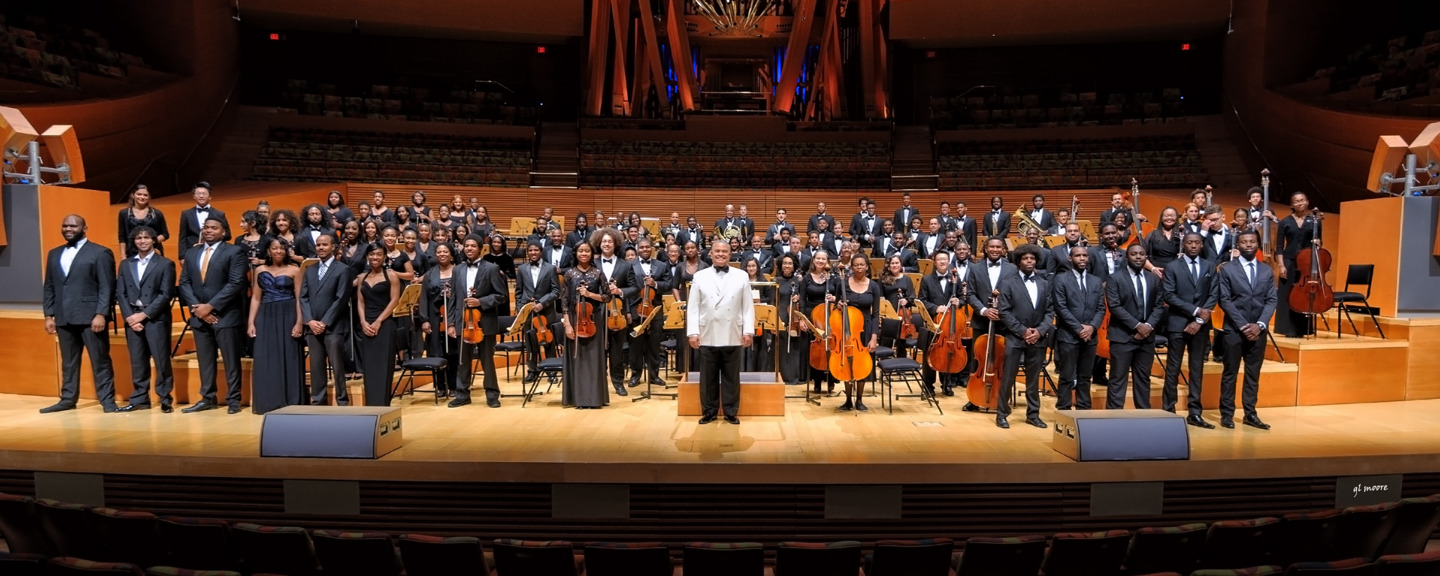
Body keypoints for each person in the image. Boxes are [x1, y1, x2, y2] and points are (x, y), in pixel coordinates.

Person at [41, 214, 119, 414]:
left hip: (91, 317)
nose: (68, 229)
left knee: (100, 360)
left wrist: (101, 313)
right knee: (68, 362)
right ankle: (68, 399)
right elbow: (49, 286)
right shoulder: (54, 253)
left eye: (73, 226)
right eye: (65, 225)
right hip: (64, 317)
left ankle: (108, 401)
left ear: (85, 228)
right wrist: (49, 315)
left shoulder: (100, 252)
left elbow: (106, 287)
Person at [179, 217, 249, 414]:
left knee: (231, 360)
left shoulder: (234, 252)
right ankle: (208, 397)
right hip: (199, 316)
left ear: (224, 232)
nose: (208, 231)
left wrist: (210, 306)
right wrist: (198, 308)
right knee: (205, 359)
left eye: (213, 228)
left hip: (225, 315)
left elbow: (235, 284)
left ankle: (234, 399)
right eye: (206, 227)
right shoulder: (192, 252)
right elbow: (184, 282)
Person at [687, 240, 755, 425]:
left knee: (731, 376)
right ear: (711, 253)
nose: (721, 254)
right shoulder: (699, 276)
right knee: (707, 376)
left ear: (730, 253)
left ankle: (731, 411)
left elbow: (748, 307)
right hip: (707, 332)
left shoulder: (741, 276)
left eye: (724, 251)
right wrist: (693, 332)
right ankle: (709, 411)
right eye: (717, 251)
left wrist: (748, 330)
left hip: (733, 331)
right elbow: (693, 308)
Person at [1217, 230, 1277, 430]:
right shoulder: (1227, 269)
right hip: (1234, 330)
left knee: (1253, 374)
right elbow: (1225, 300)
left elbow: (1271, 300)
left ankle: (1250, 413)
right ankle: (1227, 414)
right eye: (1244, 242)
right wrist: (1243, 325)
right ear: (1238, 245)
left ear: (1257, 244)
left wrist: (1260, 325)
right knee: (1230, 373)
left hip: (1258, 330)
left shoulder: (1266, 270)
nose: (1249, 244)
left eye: (1252, 241)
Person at [1162, 232, 1219, 428]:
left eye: (1197, 242)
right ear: (1183, 244)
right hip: (1178, 323)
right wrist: (1195, 311)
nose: (1193, 245)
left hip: (1200, 327)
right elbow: (1168, 294)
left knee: (1197, 369)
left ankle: (1195, 412)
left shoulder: (1210, 266)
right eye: (1189, 242)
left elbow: (1213, 294)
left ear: (1202, 244)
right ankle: (1169, 409)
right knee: (1173, 368)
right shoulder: (1172, 266)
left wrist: (1200, 320)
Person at [116, 226, 176, 412]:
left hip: (155, 317)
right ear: (134, 241)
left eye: (146, 238)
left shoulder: (165, 264)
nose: (142, 241)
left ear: (153, 240)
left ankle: (165, 398)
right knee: (137, 360)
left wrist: (143, 315)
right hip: (132, 317)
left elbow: (166, 294)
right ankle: (140, 398)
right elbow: (121, 293)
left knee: (161, 359)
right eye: (139, 238)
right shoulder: (126, 264)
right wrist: (130, 318)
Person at [995, 243, 1053, 429]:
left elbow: (1050, 311)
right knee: (1008, 377)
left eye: (1032, 259)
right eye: (1025, 259)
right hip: (1015, 337)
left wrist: (1039, 331)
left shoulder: (1044, 283)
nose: (1029, 261)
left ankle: (1033, 414)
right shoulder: (1008, 283)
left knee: (1033, 380)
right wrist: (1023, 331)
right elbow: (1004, 312)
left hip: (1038, 338)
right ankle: (1002, 414)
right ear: (1019, 261)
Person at [448, 235, 509, 408]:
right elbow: (453, 298)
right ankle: (462, 394)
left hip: (485, 322)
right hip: (463, 322)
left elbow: (502, 296)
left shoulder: (491, 268)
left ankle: (492, 394)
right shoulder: (457, 270)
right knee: (463, 360)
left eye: (473, 246)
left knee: (487, 360)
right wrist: (451, 323)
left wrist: (480, 301)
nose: (469, 249)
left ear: (480, 248)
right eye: (466, 246)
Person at [247, 238, 304, 414]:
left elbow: (299, 299)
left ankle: (290, 400)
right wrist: (251, 322)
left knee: (289, 356)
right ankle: (268, 401)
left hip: (288, 314)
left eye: (281, 248)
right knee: (266, 357)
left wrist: (299, 322)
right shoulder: (260, 270)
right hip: (266, 315)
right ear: (268, 251)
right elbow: (256, 297)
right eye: (274, 248)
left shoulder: (295, 269)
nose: (278, 251)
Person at [1104, 243, 1164, 410]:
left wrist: (1148, 327)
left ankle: (1144, 415)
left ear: (1146, 257)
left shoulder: (1153, 278)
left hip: (1147, 338)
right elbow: (1114, 306)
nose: (1138, 257)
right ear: (1127, 257)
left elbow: (1159, 306)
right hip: (1122, 337)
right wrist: (1137, 326)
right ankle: (1113, 418)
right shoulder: (1115, 278)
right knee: (1117, 378)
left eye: (1141, 254)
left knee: (1144, 378)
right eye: (1134, 254)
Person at [962, 237, 1018, 413]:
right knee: (977, 359)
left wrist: (1003, 311)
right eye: (991, 246)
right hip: (981, 321)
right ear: (985, 249)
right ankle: (974, 398)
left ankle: (1002, 400)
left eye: (998, 247)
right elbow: (970, 294)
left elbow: (1017, 293)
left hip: (1005, 322)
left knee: (1004, 361)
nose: (995, 249)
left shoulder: (1013, 268)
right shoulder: (975, 268)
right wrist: (985, 310)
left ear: (1003, 249)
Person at [301, 234, 354, 406]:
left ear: (333, 247)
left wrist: (324, 322)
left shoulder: (342, 269)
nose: (321, 248)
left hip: (334, 327)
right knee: (316, 367)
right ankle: (318, 401)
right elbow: (303, 297)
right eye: (318, 245)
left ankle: (342, 401)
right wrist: (310, 320)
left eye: (325, 244)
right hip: (313, 327)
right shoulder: (309, 270)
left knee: (338, 366)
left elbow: (341, 298)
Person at [826, 254, 882, 412]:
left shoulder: (873, 286)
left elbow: (876, 314)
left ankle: (859, 400)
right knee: (846, 359)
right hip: (846, 327)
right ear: (852, 266)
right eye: (856, 265)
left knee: (861, 364)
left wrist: (874, 337)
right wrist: (839, 305)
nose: (859, 267)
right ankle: (848, 400)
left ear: (866, 266)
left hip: (865, 328)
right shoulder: (842, 282)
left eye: (862, 264)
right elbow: (837, 305)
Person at [1051, 244, 1103, 411]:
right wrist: (1080, 329)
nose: (1082, 259)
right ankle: (1063, 409)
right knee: (1066, 376)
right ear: (1070, 259)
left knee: (1085, 376)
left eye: (1084, 256)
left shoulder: (1096, 281)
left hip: (1091, 336)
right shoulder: (1060, 279)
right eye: (1078, 256)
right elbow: (1060, 307)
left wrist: (1092, 327)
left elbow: (1101, 308)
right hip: (1069, 335)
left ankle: (1084, 409)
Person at [559, 241, 609, 409]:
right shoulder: (569, 274)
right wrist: (567, 324)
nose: (584, 254)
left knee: (594, 359)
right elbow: (564, 301)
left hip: (593, 318)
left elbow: (607, 297)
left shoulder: (598, 273)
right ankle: (578, 399)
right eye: (581, 251)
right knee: (577, 359)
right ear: (576, 253)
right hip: (574, 318)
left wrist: (589, 294)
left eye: (587, 251)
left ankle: (595, 399)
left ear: (591, 253)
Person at [593, 228, 637, 396]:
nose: (607, 244)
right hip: (597, 312)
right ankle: (598, 384)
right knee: (598, 350)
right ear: (599, 243)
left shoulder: (625, 265)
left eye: (610, 241)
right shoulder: (593, 264)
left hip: (618, 313)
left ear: (615, 243)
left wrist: (619, 291)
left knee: (617, 350)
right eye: (604, 241)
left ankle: (618, 383)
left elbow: (635, 287)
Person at [356, 244, 401, 407]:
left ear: (384, 257)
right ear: (368, 256)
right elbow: (360, 302)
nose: (375, 257)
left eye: (378, 255)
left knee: (383, 366)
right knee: (369, 367)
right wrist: (363, 322)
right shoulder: (362, 277)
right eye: (372, 254)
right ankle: (371, 404)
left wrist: (379, 321)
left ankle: (383, 404)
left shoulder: (391, 275)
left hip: (385, 324)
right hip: (367, 325)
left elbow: (394, 300)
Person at [1274, 192, 1322, 337]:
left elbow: (1320, 243)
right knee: (1287, 294)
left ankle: (1303, 329)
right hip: (1289, 261)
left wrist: (1318, 244)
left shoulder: (1315, 221)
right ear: (1292, 205)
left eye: (1302, 200)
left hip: (1307, 263)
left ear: (1307, 202)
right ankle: (1286, 328)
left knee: (1304, 294)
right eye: (1296, 201)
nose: (1300, 203)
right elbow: (1280, 247)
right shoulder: (1284, 222)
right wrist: (1281, 266)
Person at [417, 243, 460, 398]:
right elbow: (424, 299)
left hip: (453, 316)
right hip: (435, 317)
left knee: (453, 353)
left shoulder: (458, 271)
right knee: (436, 351)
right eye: (439, 252)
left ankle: (454, 386)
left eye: (445, 251)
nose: (442, 254)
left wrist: (452, 296)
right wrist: (424, 320)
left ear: (451, 254)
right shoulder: (429, 274)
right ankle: (440, 386)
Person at [515, 241, 561, 384]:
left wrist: (542, 303)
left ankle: (551, 371)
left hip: (546, 311)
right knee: (530, 342)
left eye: (536, 250)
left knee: (549, 342)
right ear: (527, 252)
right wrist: (521, 308)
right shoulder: (522, 269)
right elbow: (518, 291)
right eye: (530, 250)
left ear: (541, 252)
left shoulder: (550, 268)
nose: (533, 253)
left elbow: (556, 291)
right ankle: (532, 370)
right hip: (528, 312)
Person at [629, 238, 671, 387]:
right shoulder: (630, 265)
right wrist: (628, 311)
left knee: (654, 344)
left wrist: (656, 284)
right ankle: (635, 375)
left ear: (652, 248)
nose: (645, 249)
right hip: (636, 309)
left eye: (648, 247)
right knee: (636, 345)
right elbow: (626, 288)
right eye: (642, 247)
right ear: (637, 249)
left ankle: (654, 375)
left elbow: (668, 284)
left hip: (655, 308)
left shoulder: (661, 265)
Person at [117, 184, 169, 258]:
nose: (142, 197)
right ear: (133, 195)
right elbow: (122, 237)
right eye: (139, 194)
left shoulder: (157, 213)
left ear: (149, 197)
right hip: (132, 253)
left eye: (145, 195)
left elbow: (165, 234)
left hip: (154, 253)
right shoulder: (124, 213)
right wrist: (123, 256)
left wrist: (149, 242)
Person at [177, 182, 229, 255]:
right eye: (198, 193)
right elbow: (183, 236)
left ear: (210, 196)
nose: (201, 196)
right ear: (194, 196)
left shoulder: (219, 214)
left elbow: (227, 234)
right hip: (192, 251)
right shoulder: (186, 214)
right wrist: (182, 256)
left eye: (204, 193)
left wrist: (212, 236)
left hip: (214, 251)